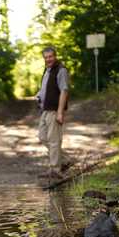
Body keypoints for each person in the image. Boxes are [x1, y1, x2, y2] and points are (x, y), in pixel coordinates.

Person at [36, 46, 70, 179]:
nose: (48, 59)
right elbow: (46, 88)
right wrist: (39, 95)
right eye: (45, 57)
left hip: (55, 110)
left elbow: (64, 91)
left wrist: (60, 112)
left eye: (50, 56)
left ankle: (55, 170)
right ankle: (65, 159)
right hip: (45, 109)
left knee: (54, 140)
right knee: (43, 137)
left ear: (55, 56)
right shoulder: (47, 70)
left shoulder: (61, 70)